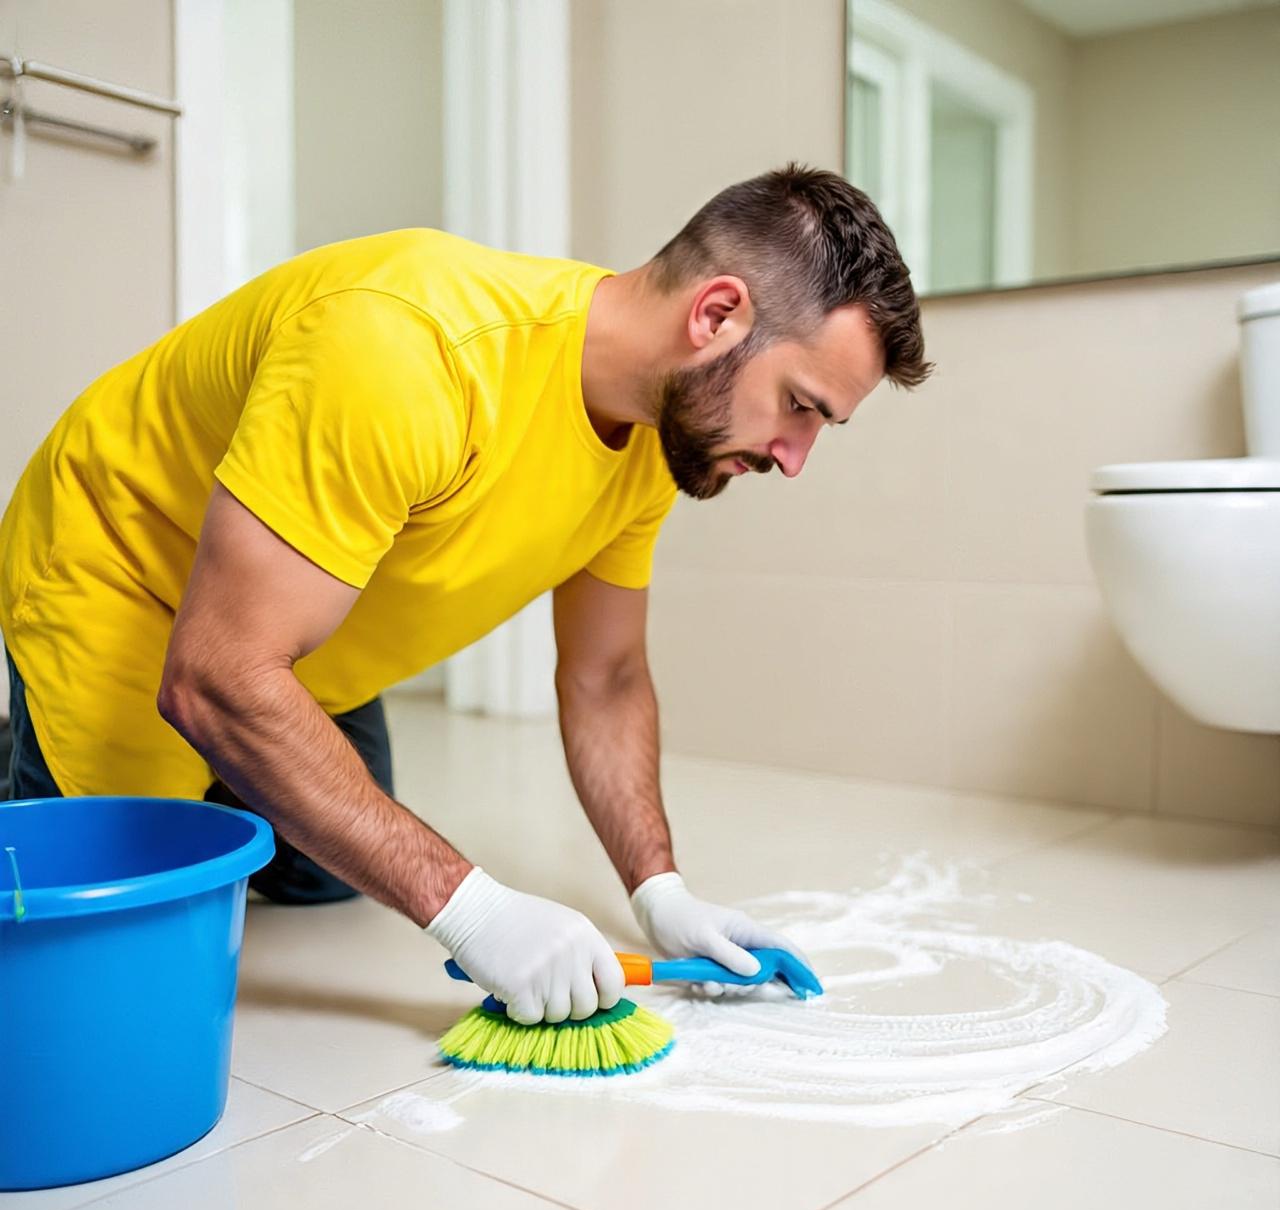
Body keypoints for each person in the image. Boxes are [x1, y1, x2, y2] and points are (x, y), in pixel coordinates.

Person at [0, 163, 930, 1025]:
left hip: (299, 613)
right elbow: (212, 675)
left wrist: (661, 891)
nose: (795, 457)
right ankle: (32, 750)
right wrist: (470, 908)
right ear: (716, 315)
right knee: (107, 969)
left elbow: (604, 676)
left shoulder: (660, 431)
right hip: (127, 571)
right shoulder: (408, 350)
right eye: (802, 405)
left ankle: (249, 722)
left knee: (324, 874)